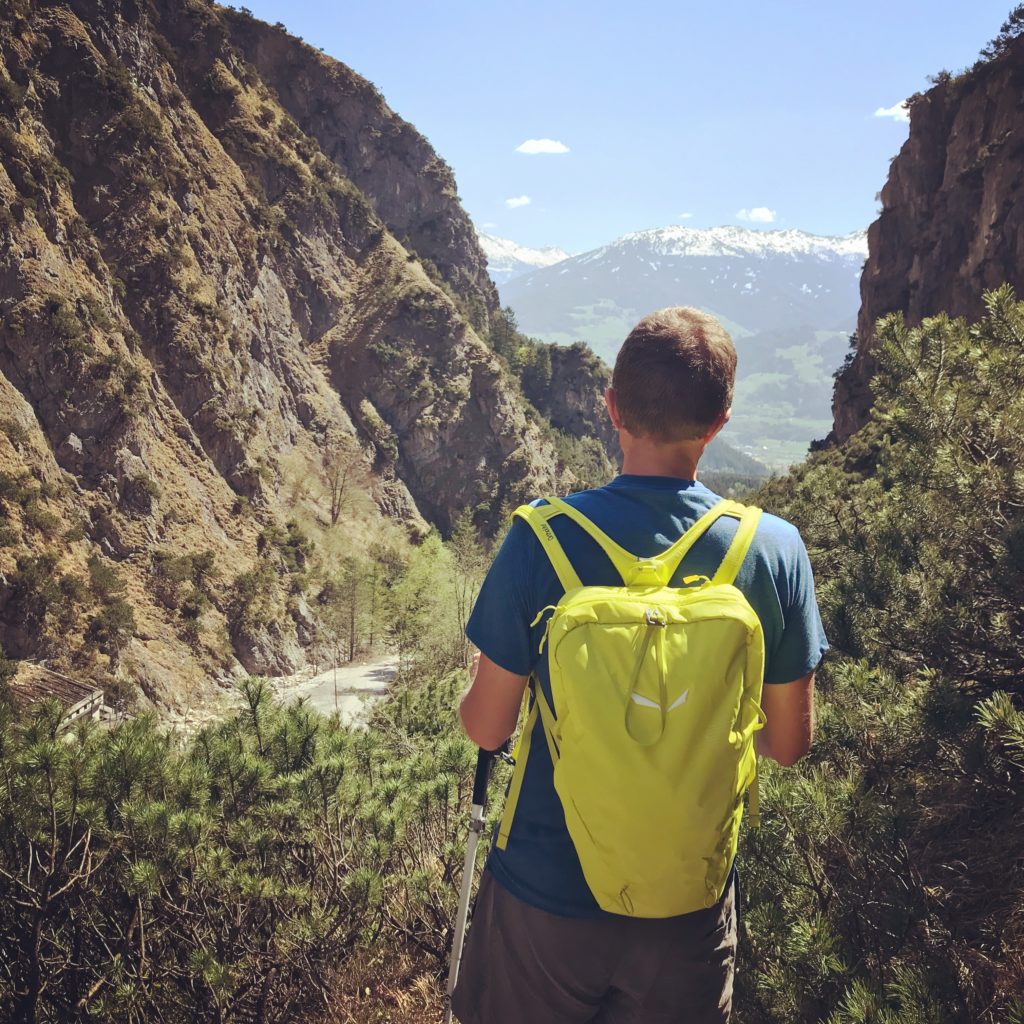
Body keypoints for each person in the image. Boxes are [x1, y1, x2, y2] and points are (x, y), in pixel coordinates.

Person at [453, 306, 827, 1024]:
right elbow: (787, 744)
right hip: (685, 907)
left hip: (541, 898)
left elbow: (487, 728)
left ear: (611, 408)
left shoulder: (541, 540)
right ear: (719, 421)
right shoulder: (773, 550)